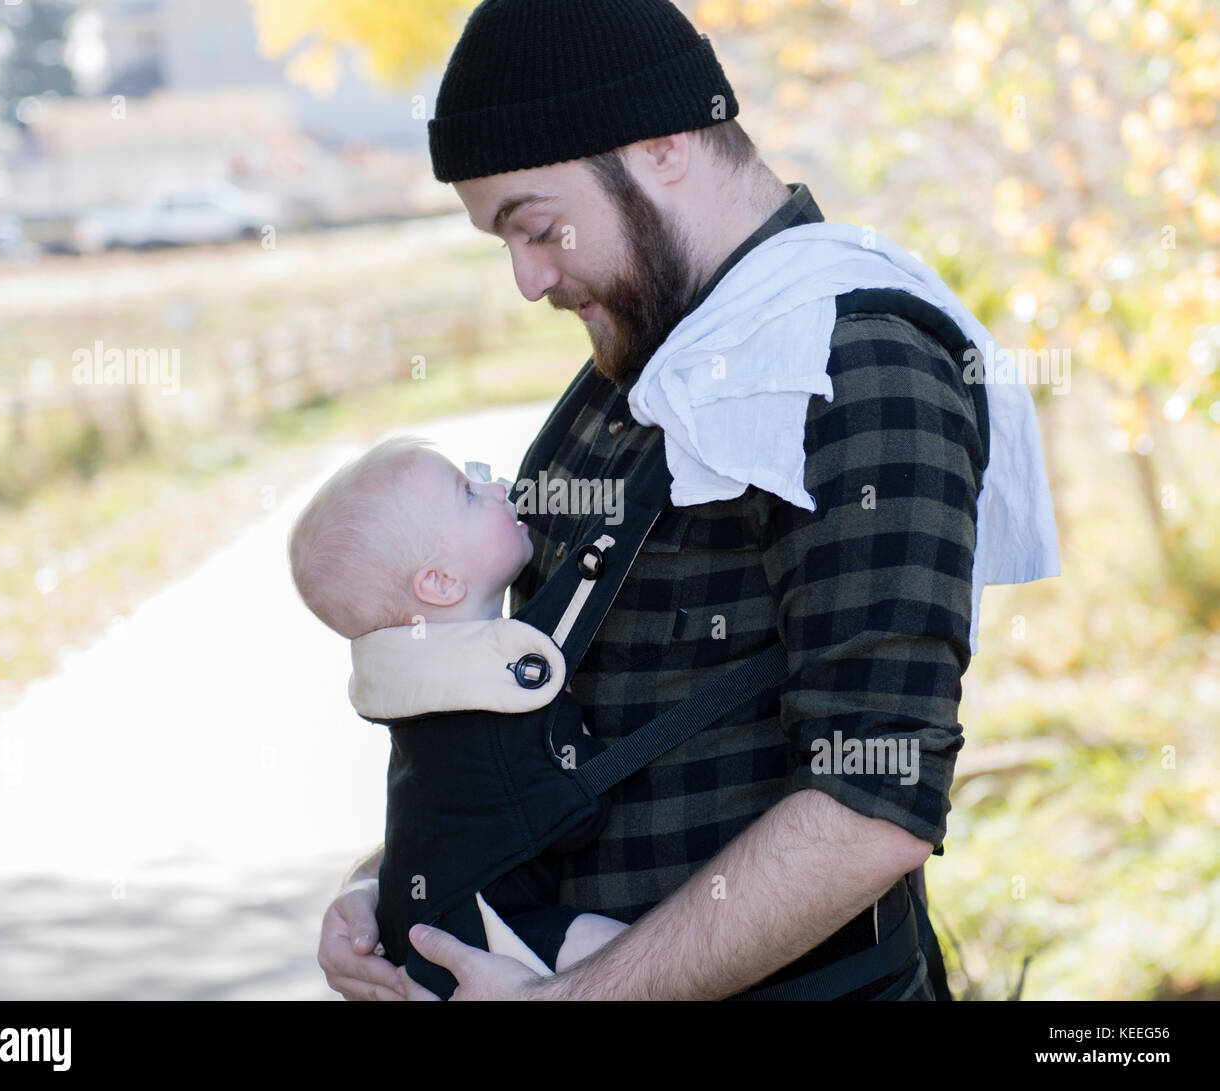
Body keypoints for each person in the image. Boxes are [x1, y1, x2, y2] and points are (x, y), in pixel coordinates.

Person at [318, 0, 1058, 1002]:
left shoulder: (858, 364)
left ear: (663, 144)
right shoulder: (644, 354)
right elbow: (563, 721)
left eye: (536, 228)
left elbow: (870, 802)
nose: (529, 277)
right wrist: (403, 886)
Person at [289, 435, 629, 990]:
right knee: (629, 954)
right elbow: (576, 816)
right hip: (483, 935)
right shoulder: (490, 703)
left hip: (423, 923)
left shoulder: (424, 702)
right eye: (469, 493)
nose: (499, 487)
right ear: (441, 583)